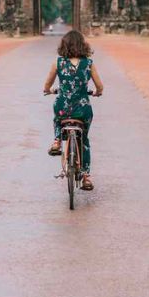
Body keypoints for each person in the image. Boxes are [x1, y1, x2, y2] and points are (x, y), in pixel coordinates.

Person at [42, 30, 105, 191]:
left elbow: (46, 86)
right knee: (84, 140)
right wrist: (97, 92)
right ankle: (86, 177)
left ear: (64, 45)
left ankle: (57, 140)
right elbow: (100, 86)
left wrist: (50, 90)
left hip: (63, 106)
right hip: (83, 109)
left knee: (57, 116)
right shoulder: (88, 63)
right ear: (83, 46)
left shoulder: (58, 63)